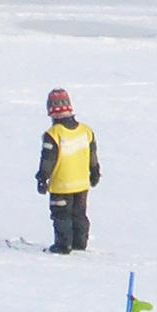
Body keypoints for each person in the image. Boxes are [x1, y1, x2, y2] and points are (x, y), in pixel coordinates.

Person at [37, 88, 100, 255]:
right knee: (79, 214)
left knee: (61, 215)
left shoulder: (53, 134)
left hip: (62, 185)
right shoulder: (86, 131)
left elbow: (48, 160)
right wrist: (94, 172)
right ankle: (79, 243)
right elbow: (92, 154)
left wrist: (42, 178)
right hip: (81, 184)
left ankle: (63, 245)